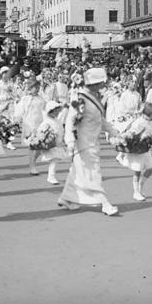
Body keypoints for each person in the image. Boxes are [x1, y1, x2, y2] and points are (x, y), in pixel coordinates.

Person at [58, 67, 120, 216]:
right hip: (83, 142)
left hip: (92, 140)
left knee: (77, 172)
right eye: (101, 82)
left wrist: (114, 131)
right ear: (95, 83)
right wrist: (70, 141)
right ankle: (104, 203)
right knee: (93, 172)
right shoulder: (79, 98)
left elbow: (100, 119)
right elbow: (70, 120)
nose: (103, 85)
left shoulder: (93, 96)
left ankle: (65, 198)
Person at [118, 102, 152, 201]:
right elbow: (131, 134)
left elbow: (151, 133)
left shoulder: (150, 122)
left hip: (145, 149)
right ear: (148, 114)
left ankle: (141, 186)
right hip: (138, 149)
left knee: (150, 169)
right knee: (137, 171)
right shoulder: (139, 122)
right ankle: (136, 192)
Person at [14, 77, 46, 175]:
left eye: (38, 87)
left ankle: (33, 162)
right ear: (30, 88)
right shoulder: (25, 98)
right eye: (35, 87)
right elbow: (20, 109)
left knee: (40, 147)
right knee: (32, 146)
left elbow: (45, 110)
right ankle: (32, 166)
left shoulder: (41, 99)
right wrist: (18, 118)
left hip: (39, 123)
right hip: (29, 124)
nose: (37, 89)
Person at [36, 101, 68, 185]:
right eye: (55, 111)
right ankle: (51, 176)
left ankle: (51, 176)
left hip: (57, 143)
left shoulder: (56, 120)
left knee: (55, 159)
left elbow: (61, 129)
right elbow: (41, 131)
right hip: (51, 143)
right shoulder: (47, 121)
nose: (57, 113)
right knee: (54, 159)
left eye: (58, 111)